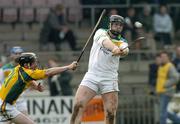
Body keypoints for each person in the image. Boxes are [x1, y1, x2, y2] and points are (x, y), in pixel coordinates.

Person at [70, 15, 129, 124]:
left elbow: (125, 50)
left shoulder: (122, 41)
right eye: (116, 24)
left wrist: (122, 51)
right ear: (110, 25)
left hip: (109, 79)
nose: (118, 27)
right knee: (78, 105)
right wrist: (114, 48)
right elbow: (104, 41)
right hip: (92, 75)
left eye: (120, 26)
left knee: (111, 113)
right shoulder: (100, 32)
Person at [0, 52, 77, 123]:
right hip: (5, 106)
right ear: (27, 65)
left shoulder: (19, 68)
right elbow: (48, 72)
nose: (36, 64)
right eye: (34, 62)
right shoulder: (28, 72)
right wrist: (69, 67)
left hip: (5, 104)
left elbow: (28, 79)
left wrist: (36, 86)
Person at [156, 51, 179, 124]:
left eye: (164, 57)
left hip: (167, 91)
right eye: (161, 57)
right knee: (164, 111)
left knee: (162, 111)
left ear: (168, 57)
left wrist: (165, 84)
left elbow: (176, 78)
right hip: (161, 91)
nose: (162, 59)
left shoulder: (170, 66)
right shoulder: (161, 66)